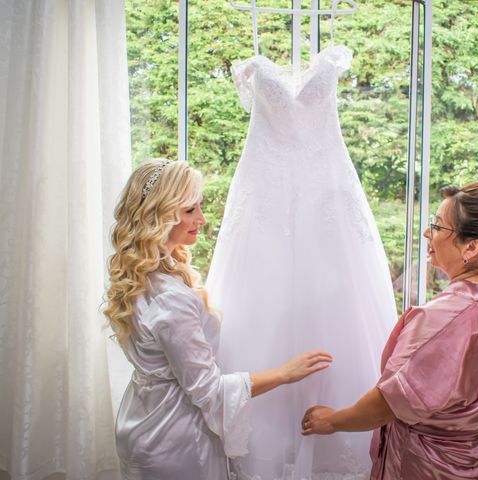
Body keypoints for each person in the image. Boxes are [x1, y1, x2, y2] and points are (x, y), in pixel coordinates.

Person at [104, 159, 332, 480]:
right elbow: (209, 391)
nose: (202, 218)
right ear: (158, 214)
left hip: (141, 418)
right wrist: (284, 373)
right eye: (189, 210)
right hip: (173, 437)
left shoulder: (142, 276)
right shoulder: (171, 299)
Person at [301, 181, 478, 480]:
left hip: (430, 465)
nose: (427, 233)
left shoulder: (448, 318)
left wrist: (333, 420)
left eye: (437, 226)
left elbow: (391, 403)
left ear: (472, 247)